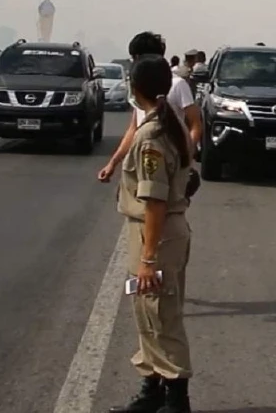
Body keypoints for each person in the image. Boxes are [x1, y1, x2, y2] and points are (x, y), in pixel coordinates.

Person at [108, 55, 194, 413]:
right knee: (146, 311)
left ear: (135, 86)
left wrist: (147, 259)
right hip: (153, 234)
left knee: (161, 315)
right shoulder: (165, 123)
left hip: (154, 236)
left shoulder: (151, 138)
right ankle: (152, 389)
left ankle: (176, 399)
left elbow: (155, 201)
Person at [100, 33, 202, 185]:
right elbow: (133, 129)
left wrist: (184, 156)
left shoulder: (177, 84)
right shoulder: (142, 90)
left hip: (165, 164)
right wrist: (113, 163)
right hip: (142, 163)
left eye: (135, 58)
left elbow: (195, 125)